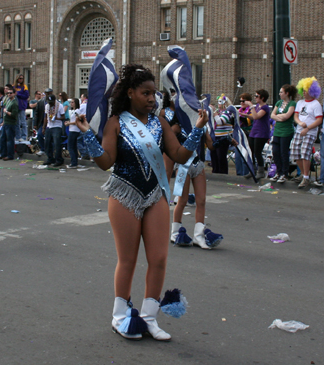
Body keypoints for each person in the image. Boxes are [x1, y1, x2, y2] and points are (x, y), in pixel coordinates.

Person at [75, 64, 207, 341]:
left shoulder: (159, 122)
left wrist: (197, 130)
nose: (151, 99)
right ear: (131, 93)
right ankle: (120, 315)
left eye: (154, 93)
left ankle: (148, 317)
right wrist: (88, 134)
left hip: (155, 193)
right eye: (146, 93)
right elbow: (105, 162)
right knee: (128, 259)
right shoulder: (115, 123)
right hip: (124, 193)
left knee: (159, 258)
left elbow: (180, 155)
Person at [171, 120, 221, 249]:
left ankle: (198, 235)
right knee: (182, 200)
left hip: (197, 164)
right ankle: (175, 231)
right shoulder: (178, 125)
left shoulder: (202, 125)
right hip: (183, 165)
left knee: (201, 200)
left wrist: (224, 141)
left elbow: (211, 145)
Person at [290, 77, 323, 188]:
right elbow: (296, 116)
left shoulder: (316, 104)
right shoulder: (300, 102)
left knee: (305, 153)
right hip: (299, 131)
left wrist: (308, 128)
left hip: (310, 133)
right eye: (303, 90)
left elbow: (319, 119)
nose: (304, 93)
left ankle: (305, 178)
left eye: (306, 90)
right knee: (295, 152)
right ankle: (304, 174)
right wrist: (300, 122)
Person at [269, 85, 296, 183]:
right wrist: (280, 117)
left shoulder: (292, 103)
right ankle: (278, 172)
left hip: (286, 131)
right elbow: (272, 115)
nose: (280, 94)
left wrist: (279, 117)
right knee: (275, 152)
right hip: (277, 131)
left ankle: (284, 173)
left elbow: (287, 116)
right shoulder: (278, 103)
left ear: (287, 93)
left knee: (283, 153)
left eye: (281, 92)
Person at [244, 89, 271, 179]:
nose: (255, 98)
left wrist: (251, 106)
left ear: (262, 98)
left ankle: (261, 171)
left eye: (257, 96)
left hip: (262, 133)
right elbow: (253, 117)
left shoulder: (265, 108)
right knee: (251, 151)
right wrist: (243, 114)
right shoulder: (258, 106)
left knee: (257, 152)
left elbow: (256, 116)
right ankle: (252, 170)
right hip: (254, 131)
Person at [210, 95, 234, 175]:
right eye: (218, 102)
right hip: (215, 136)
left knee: (221, 156)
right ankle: (215, 171)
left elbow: (220, 121)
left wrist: (214, 113)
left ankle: (222, 173)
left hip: (223, 137)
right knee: (214, 155)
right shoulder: (219, 112)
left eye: (220, 101)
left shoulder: (228, 112)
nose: (218, 104)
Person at [43, 93, 65, 167]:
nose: (50, 104)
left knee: (57, 144)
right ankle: (50, 158)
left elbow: (63, 117)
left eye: (52, 102)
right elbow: (46, 117)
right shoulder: (47, 106)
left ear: (54, 101)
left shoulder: (59, 106)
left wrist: (57, 118)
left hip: (57, 126)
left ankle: (59, 159)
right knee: (47, 143)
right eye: (49, 103)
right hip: (49, 126)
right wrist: (44, 127)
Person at [0, 84, 19, 161]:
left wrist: (6, 112)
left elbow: (14, 115)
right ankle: (3, 154)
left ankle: (10, 155)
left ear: (14, 94)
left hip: (11, 123)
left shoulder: (14, 103)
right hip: (5, 122)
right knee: (2, 138)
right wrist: (3, 121)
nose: (9, 94)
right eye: (8, 93)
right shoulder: (8, 101)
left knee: (10, 140)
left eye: (11, 93)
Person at [235, 93, 253, 177]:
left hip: (247, 133)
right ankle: (239, 173)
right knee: (238, 154)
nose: (241, 103)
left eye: (243, 101)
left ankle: (245, 172)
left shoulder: (251, 110)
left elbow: (248, 121)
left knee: (245, 154)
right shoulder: (239, 110)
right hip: (239, 133)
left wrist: (239, 116)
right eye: (240, 101)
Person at [13, 75, 30, 143]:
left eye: (22, 78)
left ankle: (24, 136)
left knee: (23, 122)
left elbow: (26, 95)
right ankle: (18, 136)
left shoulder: (24, 86)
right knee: (17, 123)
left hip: (22, 106)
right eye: (20, 78)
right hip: (15, 106)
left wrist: (18, 94)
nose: (21, 80)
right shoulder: (14, 86)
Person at [65, 98, 81, 168]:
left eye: (72, 102)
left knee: (70, 146)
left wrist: (69, 123)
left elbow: (77, 121)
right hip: (72, 129)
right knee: (74, 146)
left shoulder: (77, 111)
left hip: (74, 130)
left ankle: (73, 162)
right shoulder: (73, 111)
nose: (71, 104)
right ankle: (75, 161)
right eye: (71, 102)